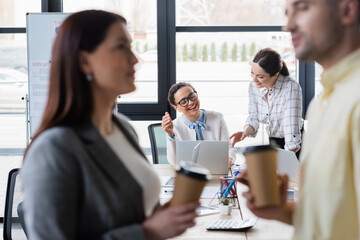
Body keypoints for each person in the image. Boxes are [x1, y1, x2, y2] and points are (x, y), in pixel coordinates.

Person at [21, 10, 199, 240]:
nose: (134, 58)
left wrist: (161, 217)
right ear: (84, 61)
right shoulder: (53, 149)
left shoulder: (123, 128)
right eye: (120, 47)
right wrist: (148, 231)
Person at [239, 0, 360, 239]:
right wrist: (281, 210)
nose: (288, 25)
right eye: (287, 13)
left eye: (303, 7)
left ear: (348, 9)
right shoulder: (325, 100)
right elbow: (331, 217)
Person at [230, 48, 303, 156]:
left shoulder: (290, 87)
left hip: (295, 145)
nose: (254, 80)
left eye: (260, 76)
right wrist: (245, 132)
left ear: (275, 74)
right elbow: (253, 118)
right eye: (252, 73)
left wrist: (286, 161)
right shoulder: (254, 86)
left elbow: (291, 131)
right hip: (274, 141)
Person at [161, 82, 236, 165]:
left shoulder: (217, 118)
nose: (190, 102)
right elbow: (173, 161)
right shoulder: (174, 126)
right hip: (189, 175)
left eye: (192, 96)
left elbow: (229, 148)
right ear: (176, 107)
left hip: (216, 172)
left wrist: (230, 159)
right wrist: (170, 134)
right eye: (183, 101)